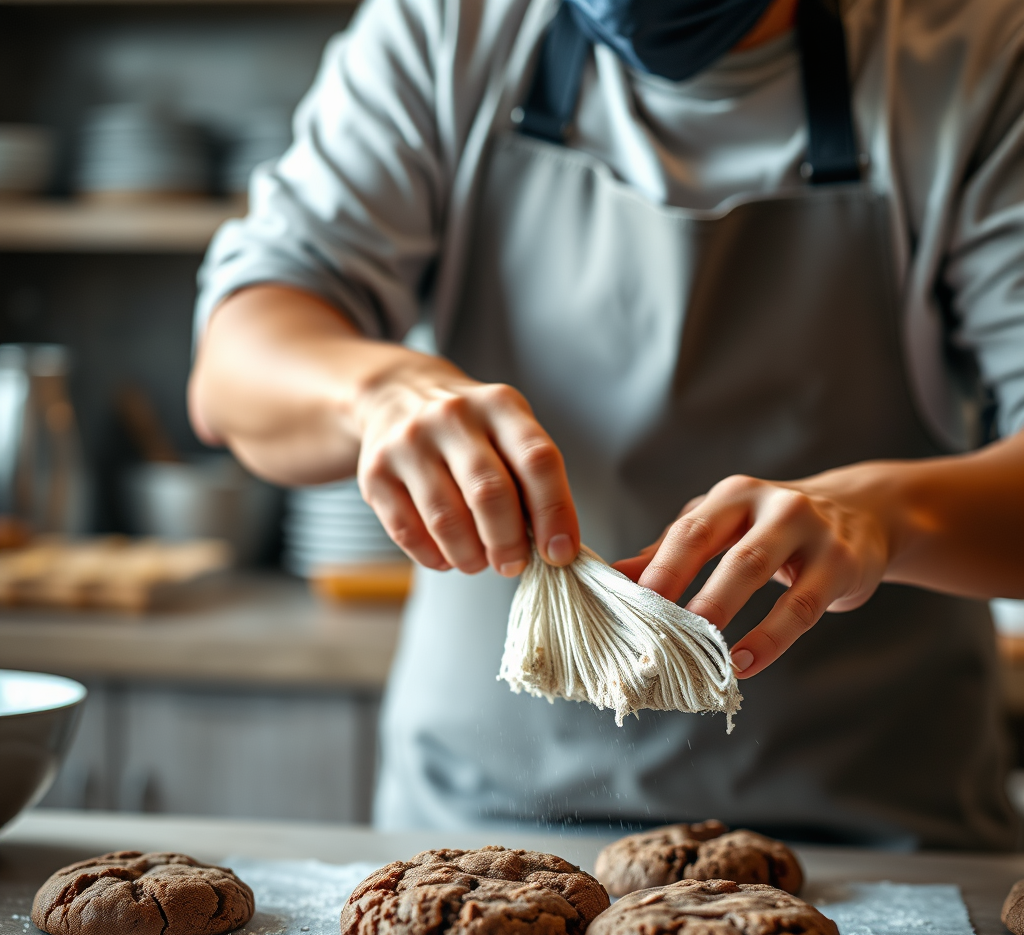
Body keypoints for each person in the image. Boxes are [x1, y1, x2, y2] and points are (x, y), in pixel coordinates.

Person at [190, 0, 1024, 848]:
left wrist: (886, 517)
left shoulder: (977, 53)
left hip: (877, 837)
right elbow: (234, 371)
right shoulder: (448, 29)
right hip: (480, 831)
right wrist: (377, 390)